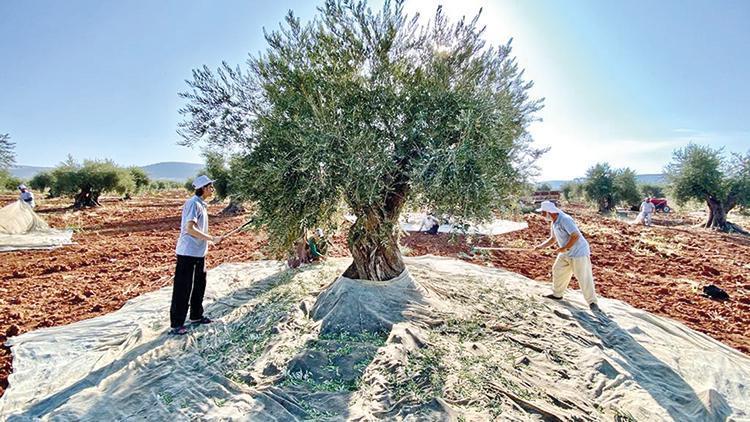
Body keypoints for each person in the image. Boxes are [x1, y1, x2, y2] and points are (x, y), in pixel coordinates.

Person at [169, 175, 224, 335]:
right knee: (183, 288)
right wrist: (211, 238)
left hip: (199, 253)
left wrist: (209, 240)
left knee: (199, 285)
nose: (212, 189)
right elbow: (190, 228)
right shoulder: (193, 204)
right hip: (188, 254)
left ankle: (196, 316)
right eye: (210, 187)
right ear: (204, 188)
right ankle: (177, 324)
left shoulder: (202, 205)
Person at [533, 201, 600, 312]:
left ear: (549, 212)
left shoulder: (565, 219)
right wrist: (540, 246)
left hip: (579, 253)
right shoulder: (554, 222)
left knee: (584, 277)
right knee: (558, 269)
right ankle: (557, 294)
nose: (542, 215)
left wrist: (565, 248)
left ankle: (592, 303)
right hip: (566, 252)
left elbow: (575, 235)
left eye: (543, 213)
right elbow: (553, 239)